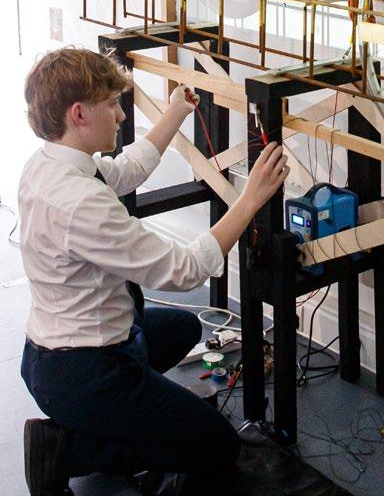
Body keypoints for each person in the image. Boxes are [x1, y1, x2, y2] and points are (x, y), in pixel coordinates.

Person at [18, 47, 287, 496]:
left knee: (182, 328)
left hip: (53, 354)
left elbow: (125, 170)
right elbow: (183, 271)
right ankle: (72, 447)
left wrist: (176, 111)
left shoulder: (49, 163)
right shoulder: (80, 203)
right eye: (112, 104)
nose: (122, 115)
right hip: (85, 371)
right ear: (79, 114)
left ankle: (116, 420)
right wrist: (250, 199)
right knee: (218, 446)